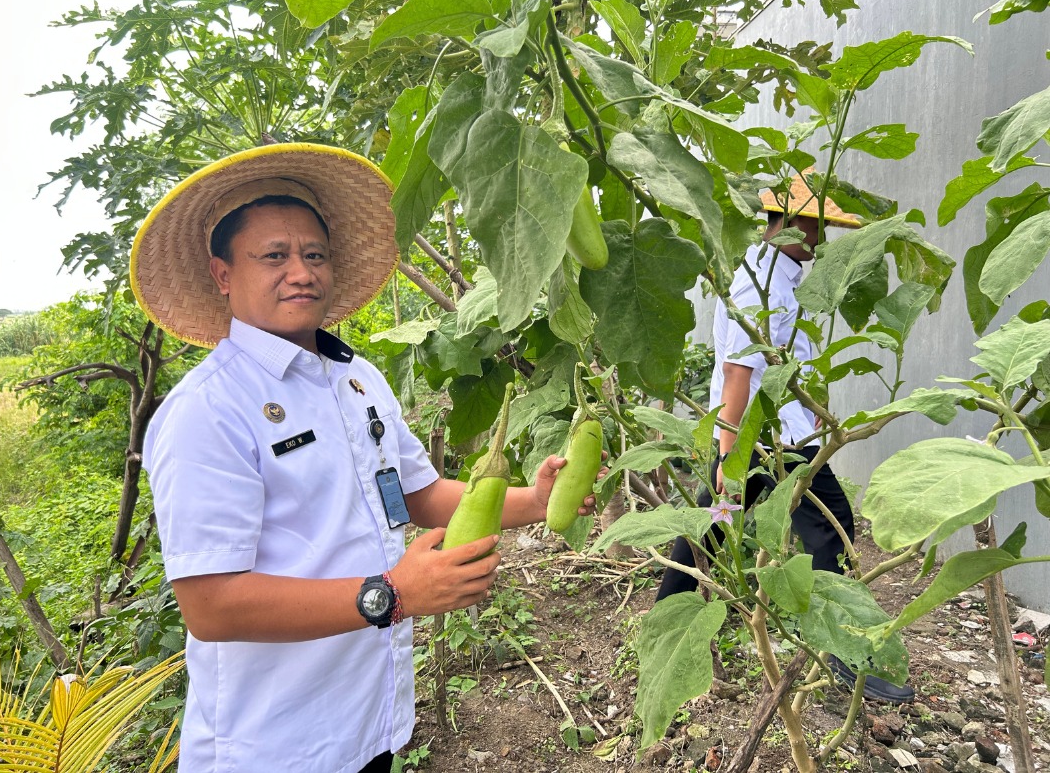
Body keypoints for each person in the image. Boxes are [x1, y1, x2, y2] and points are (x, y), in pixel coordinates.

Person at [131, 143, 600, 772]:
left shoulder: (357, 381)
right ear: (223, 274)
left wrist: (536, 502)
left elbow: (416, 495)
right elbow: (211, 605)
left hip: (370, 724)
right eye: (274, 255)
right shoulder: (207, 409)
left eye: (314, 254)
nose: (301, 272)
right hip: (275, 747)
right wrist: (393, 594)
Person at [655, 171, 915, 704]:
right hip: (767, 441)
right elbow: (738, 372)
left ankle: (663, 619)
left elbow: (777, 361)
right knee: (830, 529)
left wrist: (803, 408)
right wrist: (731, 455)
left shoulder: (775, 273)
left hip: (768, 433)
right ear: (791, 222)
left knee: (712, 522)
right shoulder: (762, 279)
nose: (820, 239)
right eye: (816, 226)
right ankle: (848, 655)